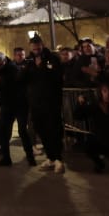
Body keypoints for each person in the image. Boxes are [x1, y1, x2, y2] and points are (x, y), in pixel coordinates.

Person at [25, 34, 65, 173]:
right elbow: (24, 78)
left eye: (38, 48)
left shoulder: (52, 59)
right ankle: (51, 157)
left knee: (54, 130)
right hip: (36, 102)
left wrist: (42, 67)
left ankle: (59, 159)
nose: (36, 50)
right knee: (41, 130)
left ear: (42, 45)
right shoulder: (29, 61)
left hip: (51, 102)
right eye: (33, 48)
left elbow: (56, 76)